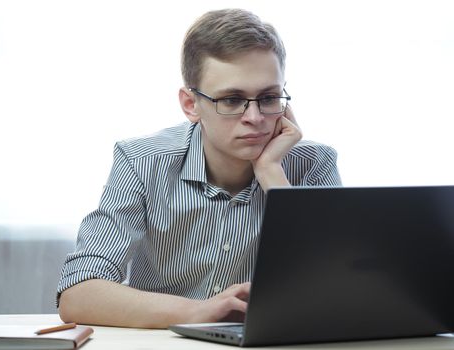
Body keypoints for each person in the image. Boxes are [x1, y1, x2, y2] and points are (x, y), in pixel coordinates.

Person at [57, 8, 341, 328]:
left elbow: (339, 288)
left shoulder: (314, 165)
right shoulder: (140, 161)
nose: (255, 117)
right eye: (232, 100)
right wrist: (198, 311)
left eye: (269, 97)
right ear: (191, 104)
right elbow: (78, 294)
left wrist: (273, 176)